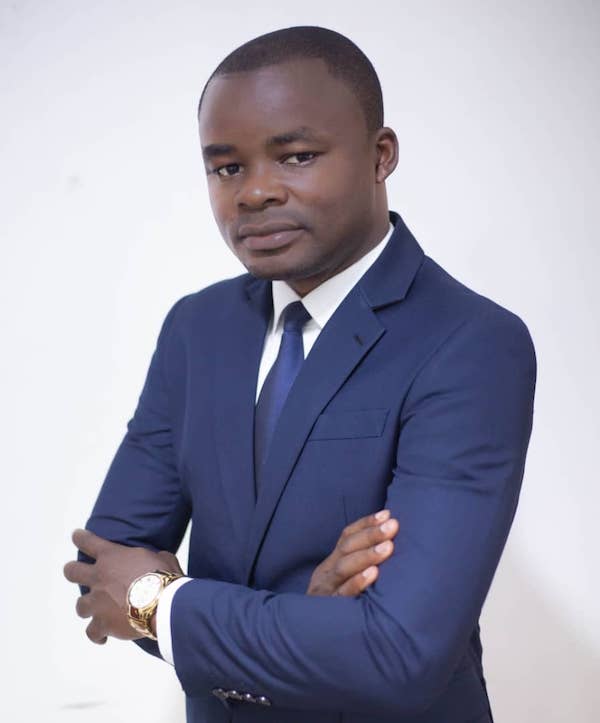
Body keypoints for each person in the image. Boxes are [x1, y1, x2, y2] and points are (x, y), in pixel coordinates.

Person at [63, 25, 536, 723]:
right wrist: (306, 616)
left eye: (297, 156)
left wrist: (159, 603)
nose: (254, 192)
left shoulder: (471, 344)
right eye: (227, 168)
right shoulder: (197, 329)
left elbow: (398, 653)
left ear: (381, 156)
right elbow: (103, 576)